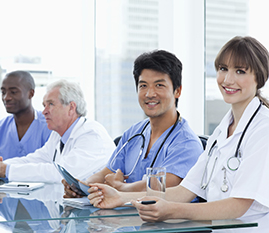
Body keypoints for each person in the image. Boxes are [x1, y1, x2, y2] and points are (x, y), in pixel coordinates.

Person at [88, 36, 269, 221]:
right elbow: (184, 191)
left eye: (240, 71)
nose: (228, 79)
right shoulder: (222, 131)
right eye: (223, 69)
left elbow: (238, 205)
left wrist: (171, 210)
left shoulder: (263, 129)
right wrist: (120, 198)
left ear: (260, 77)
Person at [63, 50, 203, 198]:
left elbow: (163, 187)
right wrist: (81, 186)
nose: (149, 94)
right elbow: (107, 173)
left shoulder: (187, 144)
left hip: (168, 221)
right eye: (143, 86)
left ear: (177, 91)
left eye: (159, 85)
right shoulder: (134, 133)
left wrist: (120, 188)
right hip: (126, 218)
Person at [0, 79, 115, 183]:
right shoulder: (58, 135)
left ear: (71, 107)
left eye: (51, 104)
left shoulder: (92, 135)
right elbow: (36, 159)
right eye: (44, 105)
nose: (44, 111)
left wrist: (6, 170)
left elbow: (61, 174)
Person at [0, 70, 51, 160]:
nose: (6, 98)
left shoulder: (48, 127)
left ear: (31, 93)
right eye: (3, 92)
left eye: (13, 92)